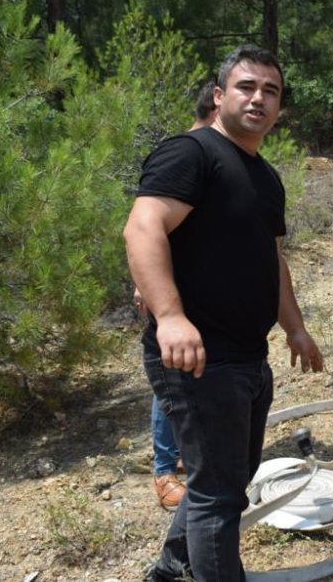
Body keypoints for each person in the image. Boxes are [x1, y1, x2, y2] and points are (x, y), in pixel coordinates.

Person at [124, 44, 324, 582]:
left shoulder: (266, 177)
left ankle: (171, 569)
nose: (259, 99)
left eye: (271, 91)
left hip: (247, 356)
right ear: (219, 95)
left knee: (226, 479)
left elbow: (272, 258)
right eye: (246, 87)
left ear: (280, 107)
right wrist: (170, 317)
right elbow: (142, 227)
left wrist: (296, 328)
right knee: (218, 495)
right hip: (199, 358)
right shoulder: (192, 153)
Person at [141, 80, 218, 511]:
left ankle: (187, 453)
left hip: (202, 297)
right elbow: (145, 227)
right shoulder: (184, 153)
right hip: (172, 295)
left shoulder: (213, 156)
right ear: (216, 107)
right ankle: (164, 469)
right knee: (170, 378)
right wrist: (146, 287)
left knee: (192, 376)